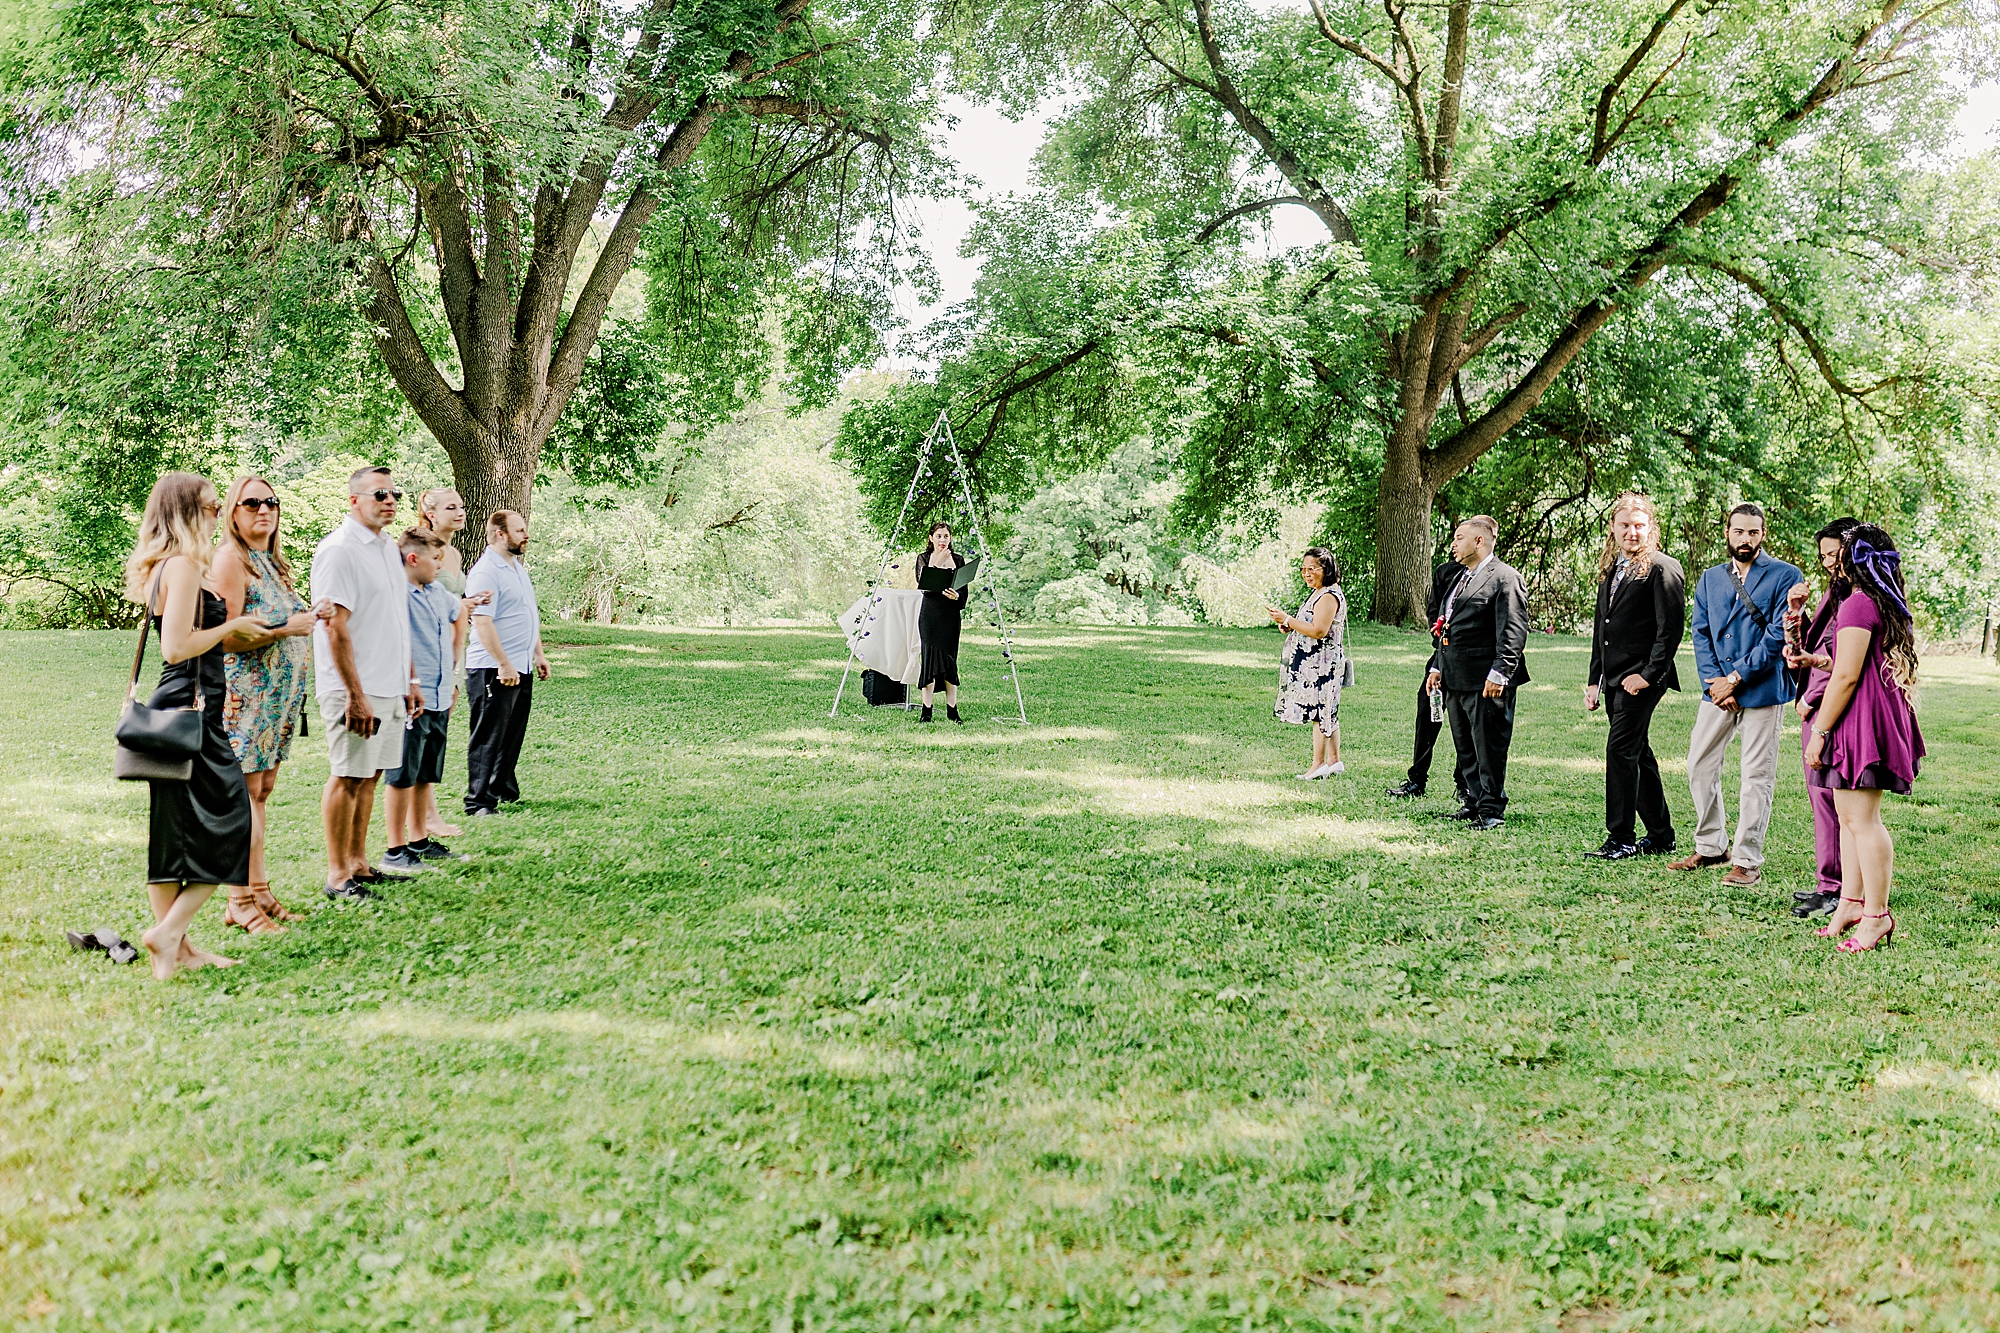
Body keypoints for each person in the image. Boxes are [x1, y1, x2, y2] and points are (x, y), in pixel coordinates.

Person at [124, 473, 269, 979]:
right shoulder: (183, 566)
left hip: (179, 706)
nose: (216, 516)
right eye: (209, 508)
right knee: (234, 820)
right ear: (186, 512)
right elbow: (176, 647)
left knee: (170, 834)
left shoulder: (169, 565)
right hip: (190, 708)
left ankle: (177, 949)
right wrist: (232, 625)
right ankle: (166, 934)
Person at [211, 475, 328, 933]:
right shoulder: (229, 561)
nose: (264, 510)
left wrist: (310, 617)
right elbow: (224, 637)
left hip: (277, 700)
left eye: (271, 502)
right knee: (243, 799)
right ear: (233, 513)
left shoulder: (271, 561)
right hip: (246, 699)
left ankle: (258, 891)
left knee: (259, 794)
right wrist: (286, 629)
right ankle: (239, 899)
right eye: (252, 502)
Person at [1800, 523, 1924, 952]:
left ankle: (1877, 916)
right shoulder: (1878, 601)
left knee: (1862, 821)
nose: (1833, 562)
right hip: (1869, 713)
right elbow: (1845, 660)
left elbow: (1846, 675)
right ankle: (1851, 902)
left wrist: (1819, 733)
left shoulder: (1856, 603)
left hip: (1860, 718)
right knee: (1849, 817)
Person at [1669, 503, 1801, 887]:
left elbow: (1778, 635)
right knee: (1699, 765)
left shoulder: (1785, 575)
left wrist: (1736, 677)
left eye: (1753, 532)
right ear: (1727, 533)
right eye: (1739, 531)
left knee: (1755, 775)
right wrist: (1714, 682)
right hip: (1717, 691)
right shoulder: (1710, 578)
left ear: (1763, 535)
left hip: (1762, 688)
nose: (1746, 539)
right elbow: (1700, 631)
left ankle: (1747, 859)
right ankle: (1711, 846)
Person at [312, 466, 421, 900]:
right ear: (354, 500)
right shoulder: (339, 550)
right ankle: (338, 874)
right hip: (353, 688)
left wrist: (408, 677)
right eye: (379, 494)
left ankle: (359, 862)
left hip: (388, 683)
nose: (390, 500)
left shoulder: (386, 549)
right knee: (347, 775)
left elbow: (396, 620)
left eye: (394, 493)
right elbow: (335, 627)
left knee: (371, 775)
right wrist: (354, 696)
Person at [1584, 494, 1685, 860]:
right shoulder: (1612, 569)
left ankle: (1621, 838)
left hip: (1642, 679)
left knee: (1620, 750)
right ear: (1613, 527)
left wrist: (1647, 674)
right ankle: (1660, 835)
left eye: (1639, 526)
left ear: (1650, 528)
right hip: (1612, 677)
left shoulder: (1662, 568)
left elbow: (1670, 631)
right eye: (1625, 525)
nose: (1632, 532)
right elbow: (1601, 628)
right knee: (1639, 754)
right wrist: (1595, 679)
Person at [1429, 516, 1529, 831]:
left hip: (1487, 679)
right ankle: (1472, 801)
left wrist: (1500, 672)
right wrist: (1437, 665)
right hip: (1455, 676)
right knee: (1465, 746)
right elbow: (1447, 625)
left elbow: (1512, 630)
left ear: (1479, 541)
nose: (1453, 544)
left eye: (1459, 538)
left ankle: (1492, 810)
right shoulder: (1460, 577)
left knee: (1489, 746)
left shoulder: (1504, 577)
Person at [1783, 516, 1860, 919]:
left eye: (1835, 554)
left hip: (1831, 705)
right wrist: (1796, 611)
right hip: (1814, 700)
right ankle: (1831, 883)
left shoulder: (1858, 597)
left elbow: (1844, 662)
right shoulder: (1837, 590)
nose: (1829, 562)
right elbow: (1814, 644)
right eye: (1824, 556)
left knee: (1831, 799)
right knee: (1822, 798)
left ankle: (1837, 889)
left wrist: (1811, 699)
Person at [382, 527, 468, 873]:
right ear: (413, 558)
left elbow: (460, 611)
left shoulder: (435, 593)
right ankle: (394, 848)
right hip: (411, 698)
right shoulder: (397, 594)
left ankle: (418, 840)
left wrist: (455, 656)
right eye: (435, 559)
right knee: (402, 773)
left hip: (439, 694)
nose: (440, 567)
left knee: (425, 773)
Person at [464, 509, 550, 815]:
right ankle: (478, 801)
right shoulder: (486, 571)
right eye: (520, 530)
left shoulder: (515, 567)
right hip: (493, 668)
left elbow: (528, 614)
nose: (526, 535)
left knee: (512, 733)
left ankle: (502, 788)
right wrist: (502, 663)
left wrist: (538, 654)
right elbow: (482, 622)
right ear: (500, 534)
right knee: (489, 734)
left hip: (521, 664)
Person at [414, 487, 475, 839]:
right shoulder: (421, 550)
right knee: (425, 734)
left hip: (453, 646)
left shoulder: (452, 552)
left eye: (462, 506)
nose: (460, 512)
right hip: (430, 650)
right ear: (430, 512)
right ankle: (425, 817)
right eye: (451, 507)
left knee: (438, 732)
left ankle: (428, 813)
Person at [1386, 559, 1471, 801]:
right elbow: (1436, 610)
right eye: (1454, 538)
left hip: (1469, 663)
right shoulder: (1447, 572)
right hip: (1441, 655)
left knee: (1464, 723)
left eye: (1460, 538)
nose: (1455, 544)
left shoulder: (1491, 575)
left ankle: (1464, 786)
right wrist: (1440, 647)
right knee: (1427, 713)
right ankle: (1417, 780)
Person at [1270, 547, 1349, 779]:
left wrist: (1287, 618)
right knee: (1328, 712)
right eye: (1303, 569)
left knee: (1319, 712)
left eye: (1312, 569)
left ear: (1325, 569)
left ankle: (1318, 765)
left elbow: (1319, 630)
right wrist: (1289, 625)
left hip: (1322, 665)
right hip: (1314, 662)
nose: (1306, 573)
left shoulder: (1328, 595)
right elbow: (1308, 624)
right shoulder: (1319, 592)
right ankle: (1334, 762)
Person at [913, 522, 966, 724]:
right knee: (929, 662)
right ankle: (927, 711)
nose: (943, 540)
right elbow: (924, 586)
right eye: (939, 536)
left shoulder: (959, 560)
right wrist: (937, 563)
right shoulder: (923, 558)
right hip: (930, 617)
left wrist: (956, 596)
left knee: (950, 663)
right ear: (931, 538)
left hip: (950, 617)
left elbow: (964, 590)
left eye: (946, 536)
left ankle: (952, 710)